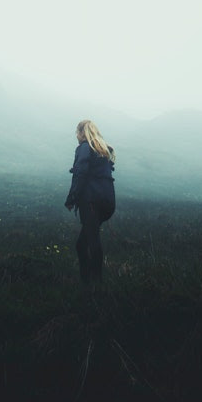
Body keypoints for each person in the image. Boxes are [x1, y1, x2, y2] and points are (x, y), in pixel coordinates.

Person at [64, 119, 116, 288]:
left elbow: (80, 173)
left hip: (92, 201)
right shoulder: (102, 150)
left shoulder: (85, 148)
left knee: (91, 241)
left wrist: (72, 198)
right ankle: (88, 283)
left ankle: (94, 286)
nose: (76, 137)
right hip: (108, 202)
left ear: (82, 133)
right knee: (82, 244)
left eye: (77, 133)